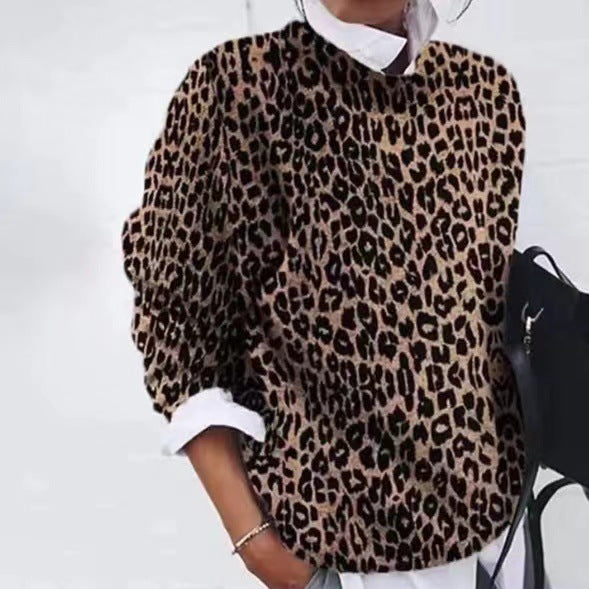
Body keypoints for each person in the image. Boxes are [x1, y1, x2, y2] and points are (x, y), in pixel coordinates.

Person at [120, 1, 545, 588]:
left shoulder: (485, 94)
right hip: (351, 554)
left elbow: (478, 315)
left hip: (502, 534)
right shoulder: (237, 89)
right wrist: (258, 545)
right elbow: (176, 330)